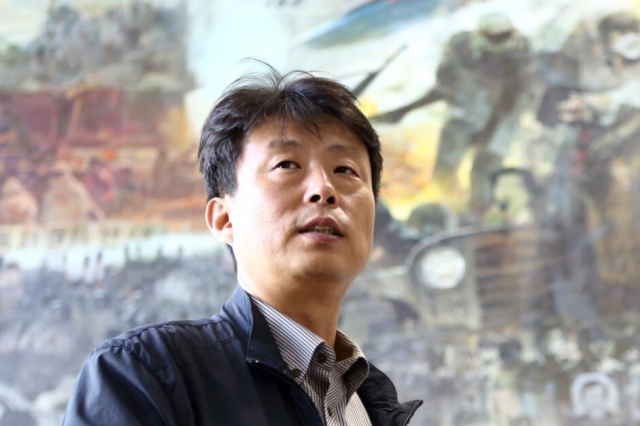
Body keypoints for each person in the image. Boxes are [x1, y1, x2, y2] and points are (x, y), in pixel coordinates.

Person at [62, 65, 423, 425]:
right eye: (287, 164)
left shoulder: (371, 406)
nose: (323, 189)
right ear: (224, 219)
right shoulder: (144, 374)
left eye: (345, 170)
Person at [372, 13, 532, 219]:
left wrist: (489, 132)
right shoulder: (460, 47)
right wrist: (402, 111)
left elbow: (511, 95)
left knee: (484, 177)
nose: (497, 43)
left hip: (502, 124)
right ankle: (448, 214)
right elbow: (444, 89)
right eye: (492, 38)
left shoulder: (520, 52)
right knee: (443, 172)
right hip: (462, 116)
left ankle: (478, 218)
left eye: (502, 37)